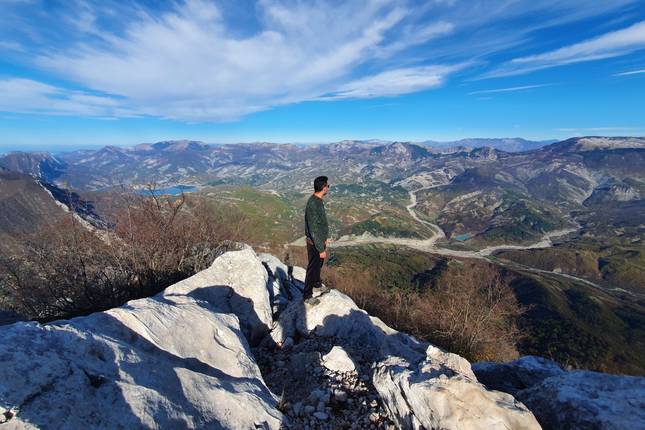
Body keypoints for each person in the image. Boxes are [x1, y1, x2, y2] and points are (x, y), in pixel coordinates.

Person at [303, 175, 331, 305]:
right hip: (315, 243)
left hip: (319, 241)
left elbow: (320, 225)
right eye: (327, 186)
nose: (328, 188)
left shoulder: (318, 201)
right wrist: (320, 248)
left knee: (317, 266)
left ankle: (317, 284)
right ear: (323, 188)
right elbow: (313, 228)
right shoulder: (313, 204)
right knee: (312, 268)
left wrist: (324, 239)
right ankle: (307, 295)